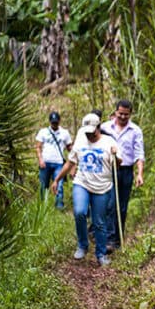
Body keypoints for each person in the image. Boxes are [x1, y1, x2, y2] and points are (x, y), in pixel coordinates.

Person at [51, 113, 120, 266]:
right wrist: (57, 179)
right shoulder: (81, 139)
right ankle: (83, 245)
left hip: (102, 186)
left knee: (99, 222)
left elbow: (118, 165)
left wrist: (116, 155)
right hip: (82, 182)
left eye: (92, 132)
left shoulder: (109, 142)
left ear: (98, 127)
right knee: (79, 212)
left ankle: (101, 254)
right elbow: (70, 162)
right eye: (87, 132)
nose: (89, 135)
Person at [104, 99, 145, 252]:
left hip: (126, 171)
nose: (122, 117)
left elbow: (139, 154)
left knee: (121, 207)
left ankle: (117, 239)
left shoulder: (135, 131)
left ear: (130, 114)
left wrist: (139, 174)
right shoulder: (105, 128)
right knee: (110, 204)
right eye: (120, 113)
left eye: (126, 114)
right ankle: (109, 239)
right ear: (115, 112)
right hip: (109, 170)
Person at [34, 111, 72, 209]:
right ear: (50, 122)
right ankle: (42, 205)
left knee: (59, 185)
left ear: (59, 121)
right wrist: (40, 159)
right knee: (43, 185)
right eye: (53, 122)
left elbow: (69, 147)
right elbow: (38, 147)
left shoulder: (64, 133)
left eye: (56, 122)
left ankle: (59, 205)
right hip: (45, 162)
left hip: (58, 163)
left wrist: (72, 161)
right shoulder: (43, 132)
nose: (54, 124)